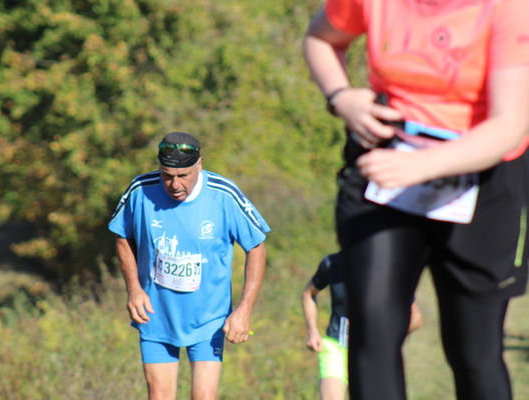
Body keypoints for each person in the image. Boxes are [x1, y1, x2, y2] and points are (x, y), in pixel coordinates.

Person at [303, 2, 529, 400]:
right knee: (371, 331)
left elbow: (510, 126)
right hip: (386, 170)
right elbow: (320, 38)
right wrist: (341, 98)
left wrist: (425, 166)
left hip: (481, 181)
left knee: (474, 351)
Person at [108, 131, 270, 400]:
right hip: (156, 314)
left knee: (204, 397)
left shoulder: (223, 195)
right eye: (167, 175)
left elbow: (256, 246)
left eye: (183, 176)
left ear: (199, 165)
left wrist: (244, 309)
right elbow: (122, 236)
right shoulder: (140, 190)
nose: (174, 184)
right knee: (159, 396)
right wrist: (134, 288)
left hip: (209, 317)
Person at [302, 252, 423, 400]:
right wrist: (312, 330)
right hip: (336, 346)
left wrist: (388, 337)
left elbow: (415, 317)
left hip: (373, 350)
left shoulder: (389, 269)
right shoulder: (332, 264)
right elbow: (309, 293)